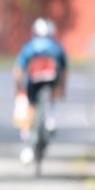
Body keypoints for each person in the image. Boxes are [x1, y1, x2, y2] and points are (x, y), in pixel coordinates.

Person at [13, 17, 68, 165]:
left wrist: (18, 89)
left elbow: (19, 70)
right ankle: (51, 118)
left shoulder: (29, 47)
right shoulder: (56, 47)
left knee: (30, 109)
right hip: (52, 81)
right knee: (52, 96)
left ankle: (27, 146)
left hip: (33, 82)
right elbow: (63, 70)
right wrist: (62, 90)